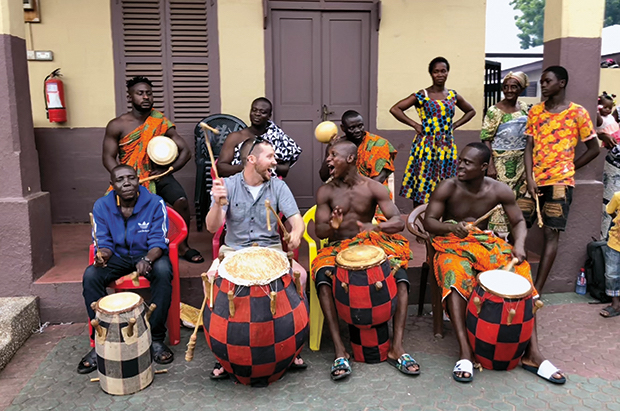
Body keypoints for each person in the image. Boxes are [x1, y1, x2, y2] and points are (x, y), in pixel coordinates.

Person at [424, 142, 566, 384]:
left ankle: (533, 354)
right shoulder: (448, 186)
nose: (460, 165)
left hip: (484, 243)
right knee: (454, 273)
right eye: (460, 160)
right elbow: (429, 221)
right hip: (451, 244)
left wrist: (519, 244)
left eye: (467, 163)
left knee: (521, 271)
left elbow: (519, 221)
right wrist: (450, 227)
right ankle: (465, 352)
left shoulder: (499, 190)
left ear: (483, 167)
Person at [313, 140, 417, 381]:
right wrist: (332, 226)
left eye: (333, 155)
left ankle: (397, 347)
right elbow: (319, 232)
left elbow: (398, 222)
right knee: (322, 278)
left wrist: (376, 226)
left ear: (350, 159)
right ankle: (340, 350)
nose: (328, 160)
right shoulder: (326, 191)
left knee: (400, 276)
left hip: (371, 243)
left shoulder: (374, 188)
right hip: (338, 247)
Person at [206, 137, 307, 378]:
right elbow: (212, 228)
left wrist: (296, 234)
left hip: (270, 248)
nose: (275, 161)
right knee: (210, 278)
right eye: (270, 157)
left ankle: (294, 348)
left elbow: (297, 220)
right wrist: (216, 203)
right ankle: (221, 353)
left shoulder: (278, 186)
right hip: (234, 249)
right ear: (251, 160)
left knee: (301, 276)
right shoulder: (227, 185)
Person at [77, 165, 174, 374]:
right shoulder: (102, 206)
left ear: (139, 181)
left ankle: (156, 338)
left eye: (131, 178)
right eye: (120, 180)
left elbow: (159, 239)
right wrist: (102, 257)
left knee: (164, 271)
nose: (127, 183)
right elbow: (103, 243)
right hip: (119, 257)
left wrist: (147, 259)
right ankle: (101, 342)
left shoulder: (155, 203)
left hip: (149, 253)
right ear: (113, 185)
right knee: (91, 275)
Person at [102, 76, 203, 264]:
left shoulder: (159, 121)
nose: (146, 97)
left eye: (149, 93)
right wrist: (122, 179)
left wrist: (166, 171)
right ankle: (124, 247)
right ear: (130, 96)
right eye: (140, 93)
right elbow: (107, 157)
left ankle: (182, 245)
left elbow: (186, 151)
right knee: (117, 208)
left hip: (156, 175)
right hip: (130, 178)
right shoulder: (117, 124)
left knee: (181, 200)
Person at [523, 66, 600, 292]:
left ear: (562, 83)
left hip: (560, 184)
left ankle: (536, 289)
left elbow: (594, 148)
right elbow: (529, 147)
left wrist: (569, 167)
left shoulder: (578, 113)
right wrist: (529, 178)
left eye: (547, 81)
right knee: (517, 227)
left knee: (551, 233)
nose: (543, 85)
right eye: (543, 82)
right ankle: (516, 280)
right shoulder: (535, 112)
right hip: (534, 181)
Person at [391, 56, 476, 207]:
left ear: (448, 72)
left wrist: (455, 125)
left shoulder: (453, 95)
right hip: (426, 146)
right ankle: (418, 224)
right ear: (431, 74)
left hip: (446, 146)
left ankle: (442, 224)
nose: (440, 75)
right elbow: (395, 109)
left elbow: (471, 111)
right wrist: (415, 125)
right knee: (422, 184)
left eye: (443, 71)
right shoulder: (422, 95)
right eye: (436, 71)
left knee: (446, 184)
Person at [319, 110, 397, 221]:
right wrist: (329, 150)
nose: (357, 131)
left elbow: (378, 179)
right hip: (343, 191)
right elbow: (323, 176)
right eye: (352, 128)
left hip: (372, 193)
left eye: (360, 126)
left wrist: (357, 197)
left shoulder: (379, 144)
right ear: (343, 128)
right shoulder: (339, 146)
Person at [479, 72, 530, 235]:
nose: (509, 90)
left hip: (521, 161)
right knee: (499, 200)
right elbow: (486, 138)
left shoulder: (523, 108)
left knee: (517, 199)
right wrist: (491, 165)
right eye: (506, 87)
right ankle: (498, 238)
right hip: (500, 162)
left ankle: (515, 238)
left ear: (521, 89)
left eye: (513, 87)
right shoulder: (494, 111)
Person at [217, 97, 302, 178]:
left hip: (268, 186)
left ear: (269, 116)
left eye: (263, 112)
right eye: (254, 110)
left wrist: (264, 165)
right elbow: (220, 168)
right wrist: (249, 167)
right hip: (240, 185)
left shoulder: (276, 136)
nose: (257, 114)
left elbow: (284, 170)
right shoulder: (235, 137)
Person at [597, 92, 620, 237]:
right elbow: (608, 126)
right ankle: (605, 248)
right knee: (611, 210)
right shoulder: (618, 111)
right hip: (615, 167)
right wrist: (603, 135)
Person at [601, 190, 620, 318]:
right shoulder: (618, 196)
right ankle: (615, 304)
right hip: (615, 243)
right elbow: (610, 211)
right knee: (611, 274)